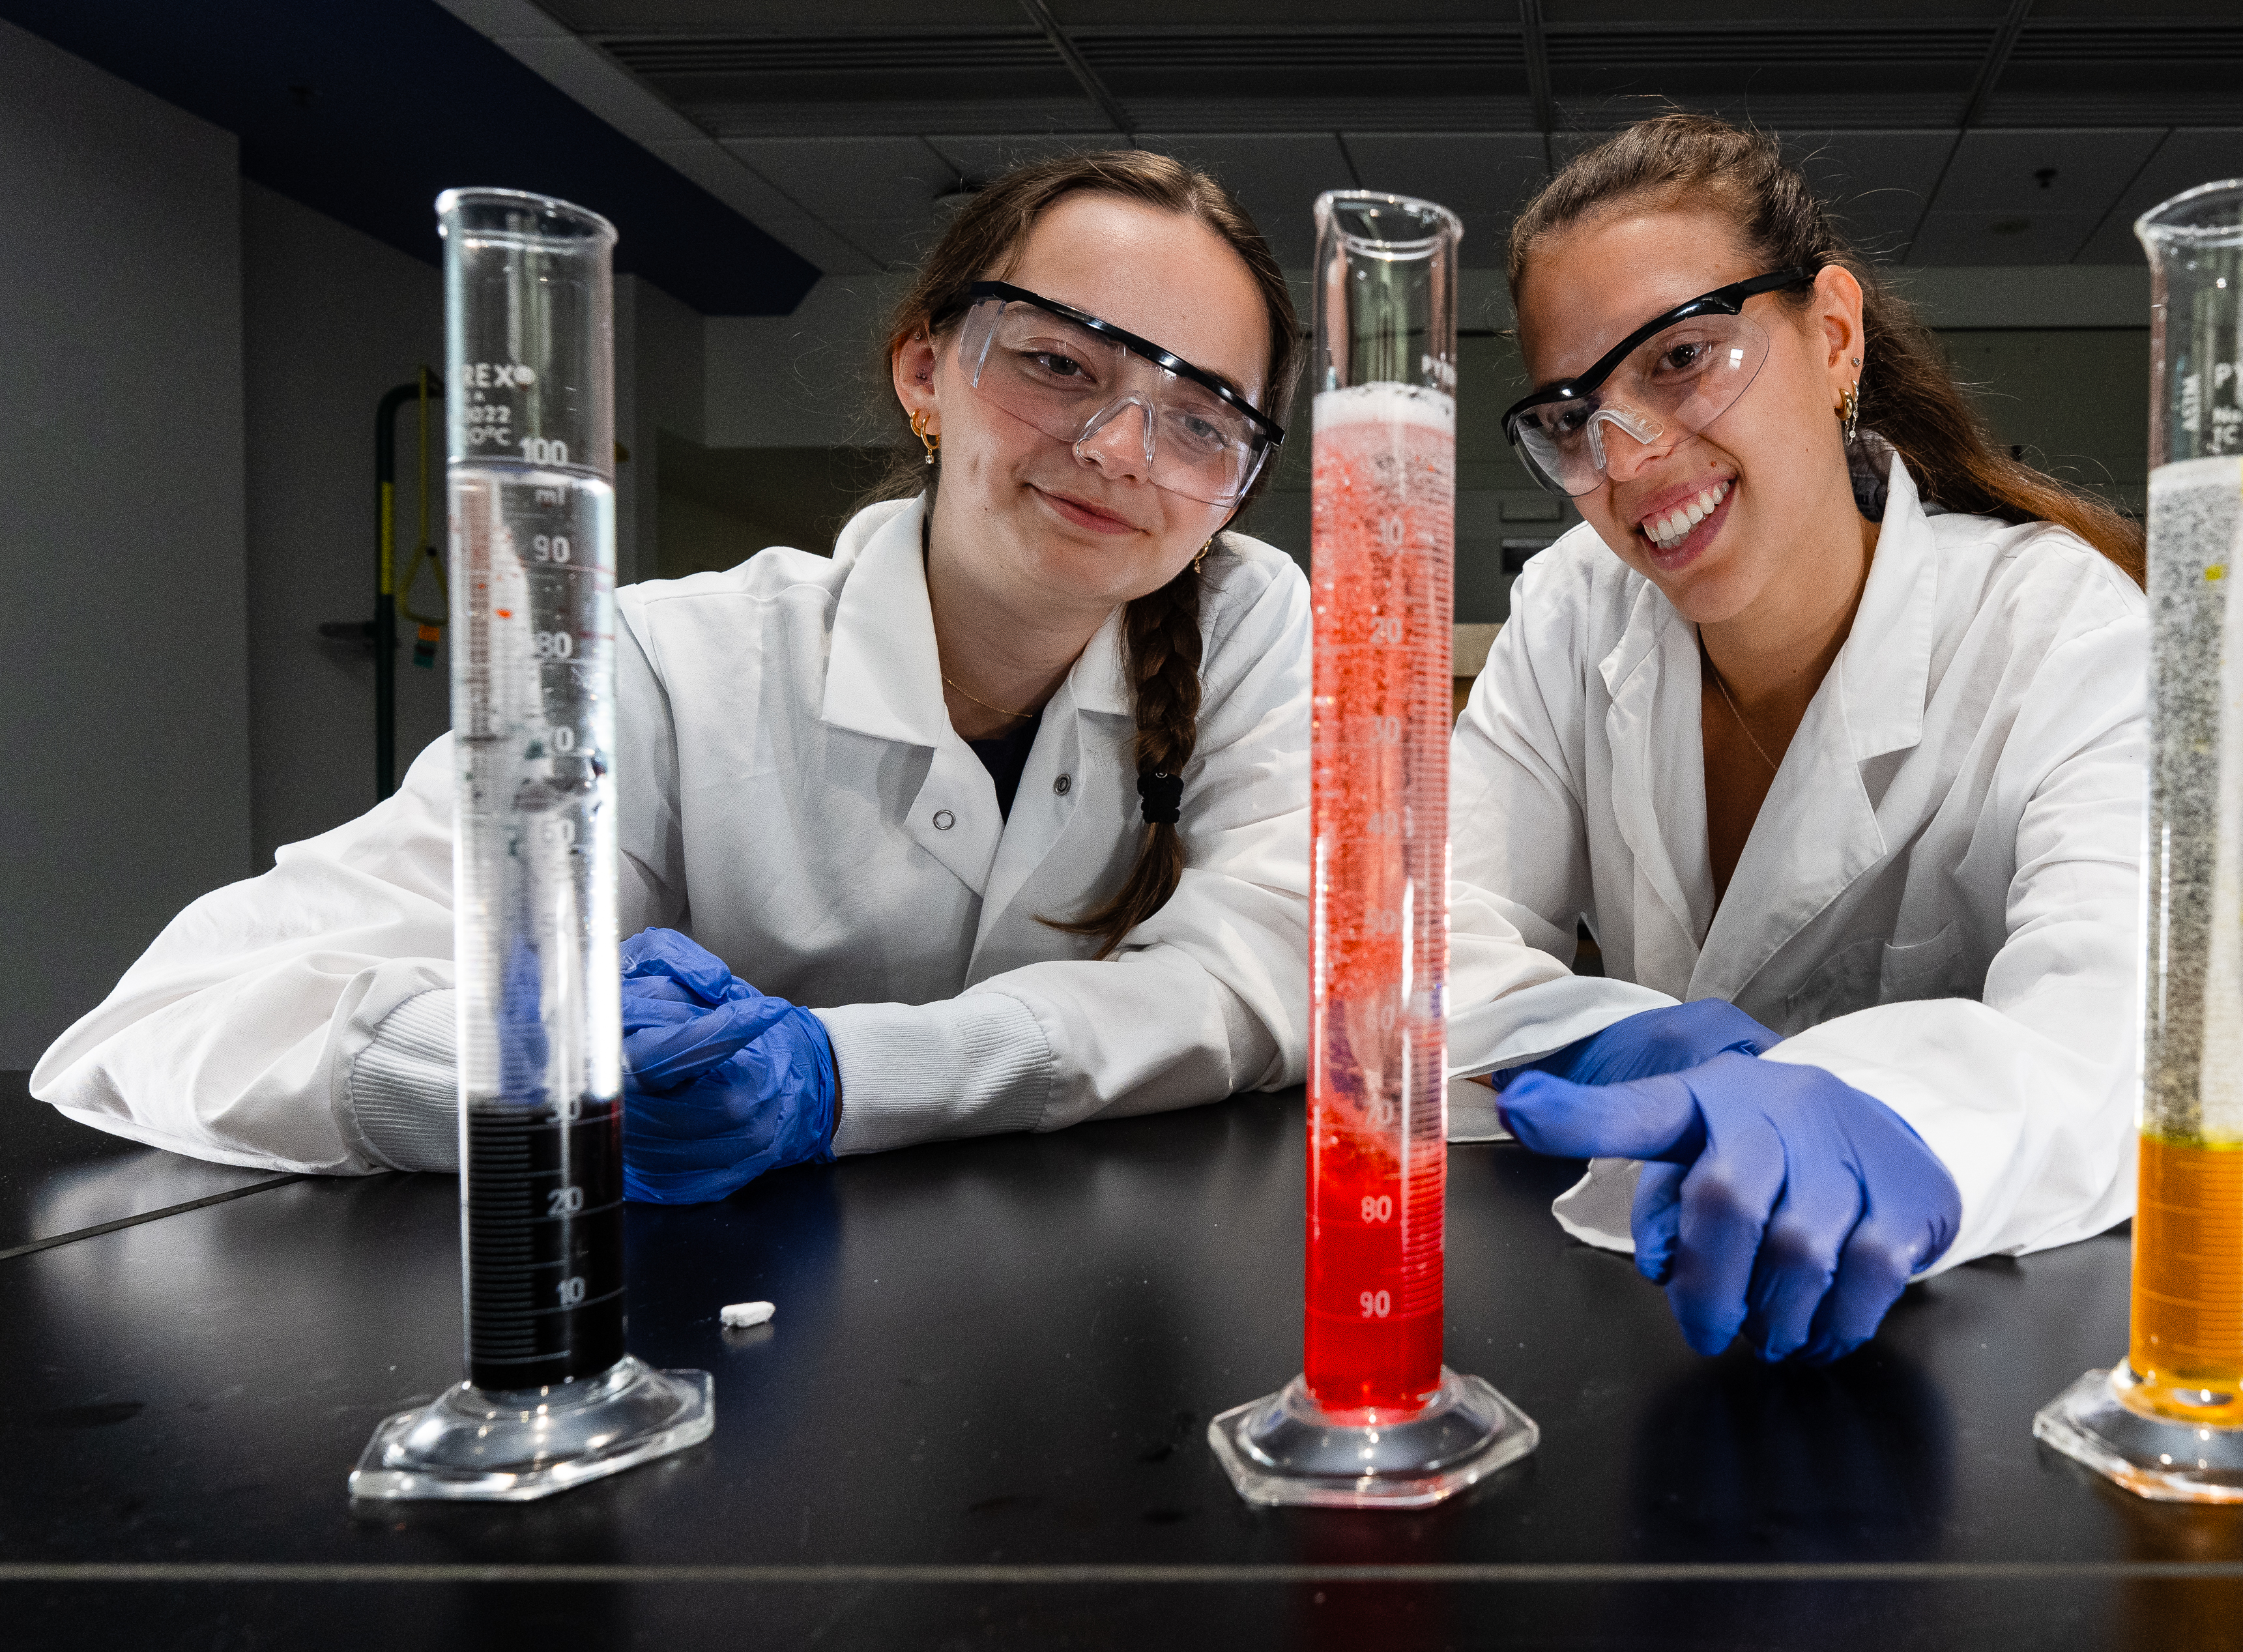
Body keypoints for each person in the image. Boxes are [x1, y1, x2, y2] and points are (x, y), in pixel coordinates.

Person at [34, 151, 1313, 1203]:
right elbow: (169, 1023)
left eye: (1201, 417)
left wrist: (840, 1071)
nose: (1116, 450)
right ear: (927, 372)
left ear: (1242, 479)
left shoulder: (1248, 620)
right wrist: (548, 1066)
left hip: (1096, 1319)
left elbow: (1260, 982)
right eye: (1057, 364)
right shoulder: (665, 662)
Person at [1446, 115, 2149, 1365]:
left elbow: (2120, 1033)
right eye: (1574, 414)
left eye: (1680, 358)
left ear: (1833, 335)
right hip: (1653, 1313)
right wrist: (1594, 1038)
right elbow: (1424, 940)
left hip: (1969, 1335)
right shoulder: (1571, 606)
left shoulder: (2058, 626)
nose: (1633, 453)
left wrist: (1887, 1105)